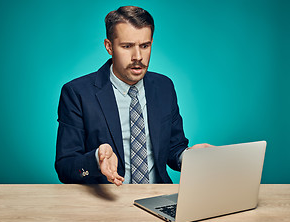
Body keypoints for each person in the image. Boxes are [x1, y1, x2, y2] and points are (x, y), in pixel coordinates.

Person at [55, 6, 211, 186]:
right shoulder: (77, 93)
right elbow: (65, 167)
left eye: (145, 46)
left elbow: (172, 149)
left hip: (157, 198)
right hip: (106, 202)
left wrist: (190, 157)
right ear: (109, 47)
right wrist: (96, 160)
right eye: (127, 46)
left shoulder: (164, 87)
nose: (138, 56)